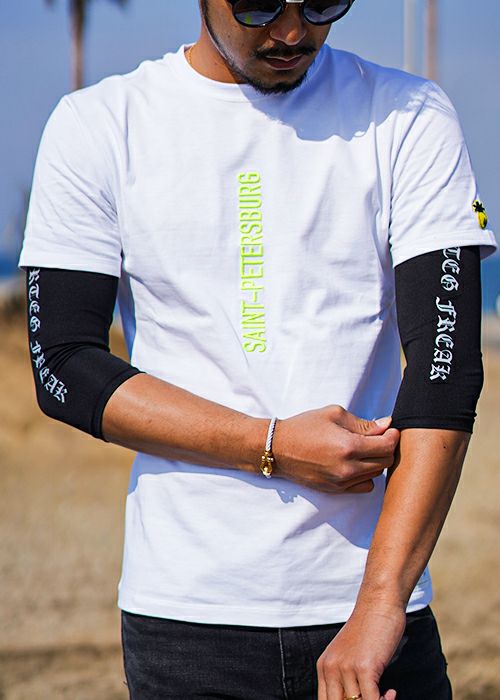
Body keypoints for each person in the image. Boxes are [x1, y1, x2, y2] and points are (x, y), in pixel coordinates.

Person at [20, 1, 497, 698]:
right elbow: (62, 363)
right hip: (188, 619)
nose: (292, 31)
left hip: (372, 613)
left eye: (322, 2)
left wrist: (379, 604)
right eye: (259, 4)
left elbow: (445, 371)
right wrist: (269, 444)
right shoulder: (100, 124)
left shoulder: (408, 115)